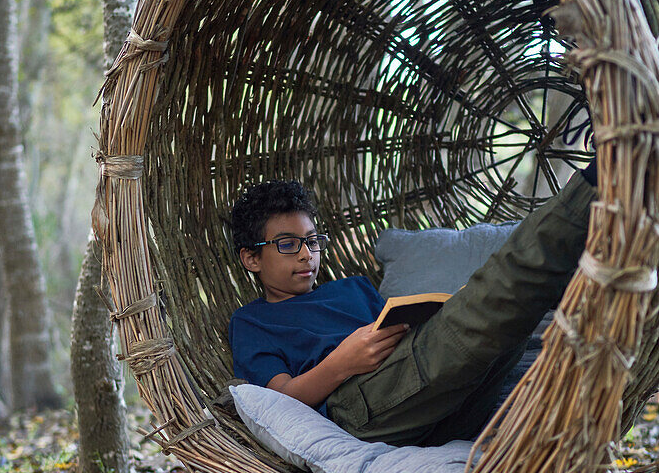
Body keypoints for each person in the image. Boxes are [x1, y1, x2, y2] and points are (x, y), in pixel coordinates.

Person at [228, 164, 598, 447]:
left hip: (439, 407)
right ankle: (591, 188)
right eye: (289, 244)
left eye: (313, 241)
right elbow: (279, 400)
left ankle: (596, 237)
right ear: (252, 259)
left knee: (510, 324)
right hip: (358, 408)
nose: (307, 255)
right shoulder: (253, 322)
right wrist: (342, 363)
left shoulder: (352, 289)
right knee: (497, 295)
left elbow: (406, 338)